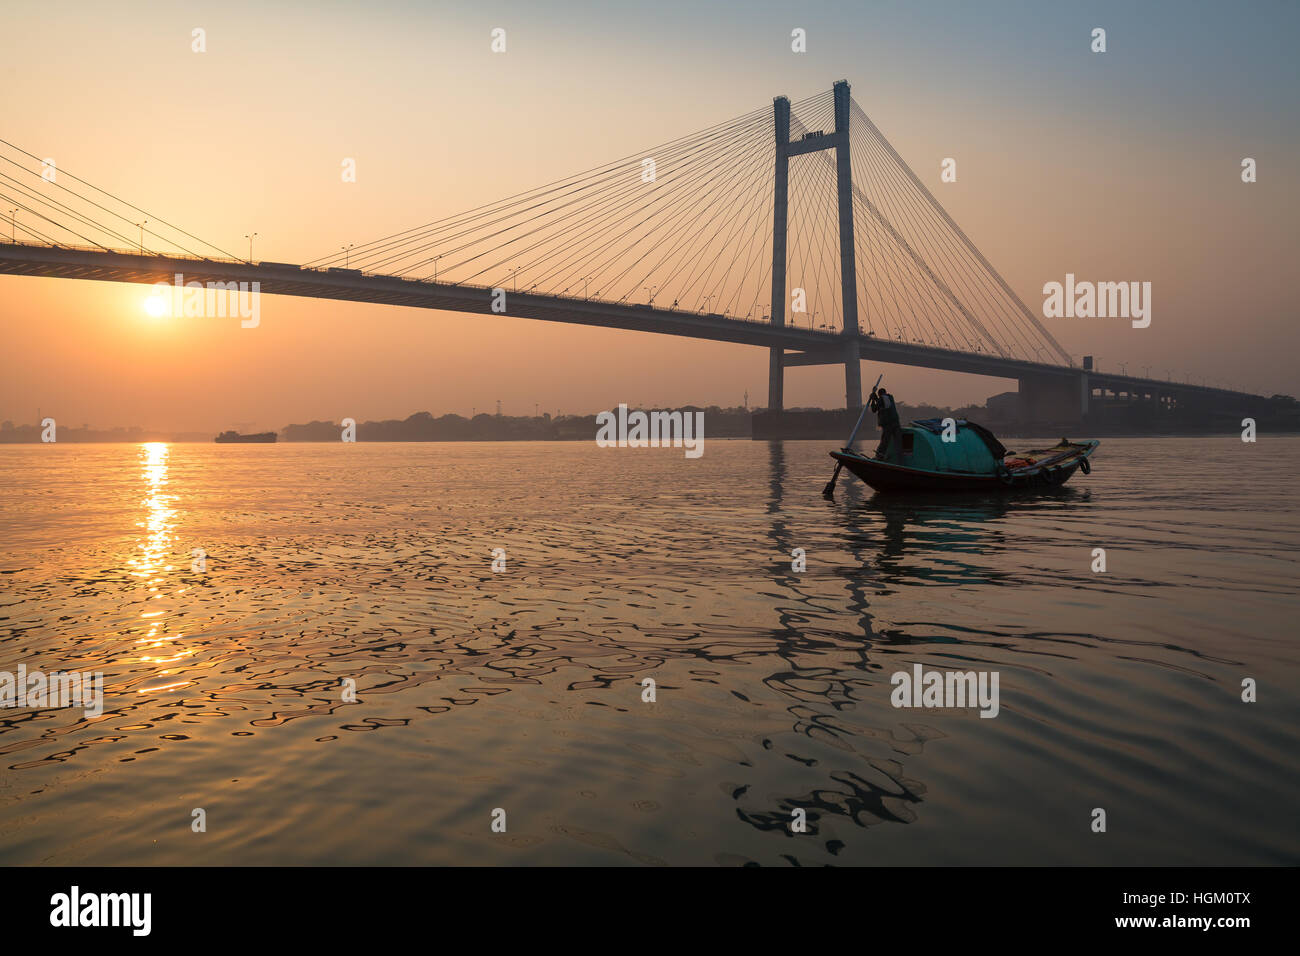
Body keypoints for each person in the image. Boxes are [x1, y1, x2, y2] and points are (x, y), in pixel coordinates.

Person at [869, 386, 902, 462]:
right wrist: (875, 396)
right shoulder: (890, 398)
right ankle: (900, 459)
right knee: (898, 441)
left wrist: (873, 400)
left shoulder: (882, 399)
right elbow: (883, 403)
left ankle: (880, 456)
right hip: (896, 423)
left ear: (880, 394)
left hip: (888, 424)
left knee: (885, 441)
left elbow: (874, 409)